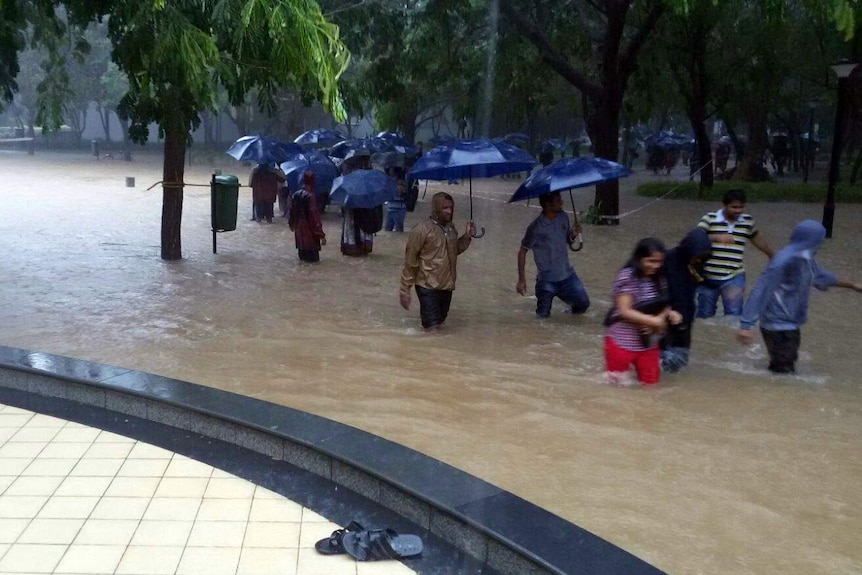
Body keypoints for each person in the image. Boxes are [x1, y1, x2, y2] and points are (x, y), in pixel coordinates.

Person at [736, 220, 862, 374]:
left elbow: (822, 277)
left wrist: (853, 285)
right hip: (778, 324)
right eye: (819, 242)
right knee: (785, 372)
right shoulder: (784, 260)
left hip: (789, 323)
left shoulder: (805, 258)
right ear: (812, 240)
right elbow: (762, 288)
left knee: (782, 367)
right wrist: (746, 324)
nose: (819, 246)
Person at [604, 238, 682, 386]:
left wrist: (669, 314)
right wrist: (653, 321)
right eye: (650, 261)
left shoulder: (659, 278)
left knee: (652, 386)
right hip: (622, 343)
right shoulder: (628, 277)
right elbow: (624, 310)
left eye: (659, 262)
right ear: (639, 258)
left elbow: (663, 304)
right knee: (615, 388)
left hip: (648, 343)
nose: (655, 266)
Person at [399, 192, 475, 330]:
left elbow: (454, 250)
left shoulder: (451, 228)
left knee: (439, 325)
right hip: (427, 286)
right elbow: (410, 261)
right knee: (432, 329)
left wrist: (467, 237)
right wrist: (405, 289)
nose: (449, 211)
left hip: (447, 286)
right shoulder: (422, 229)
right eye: (445, 208)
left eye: (451, 208)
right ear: (436, 208)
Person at [695, 189, 773, 319]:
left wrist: (771, 254)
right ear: (724, 205)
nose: (738, 210)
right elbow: (695, 238)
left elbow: (757, 239)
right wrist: (716, 238)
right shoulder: (709, 218)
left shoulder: (747, 221)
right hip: (707, 276)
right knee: (704, 316)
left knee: (734, 316)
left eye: (741, 207)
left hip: (734, 275)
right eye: (734, 207)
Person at [516, 191, 590, 318]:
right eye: (557, 201)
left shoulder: (563, 217)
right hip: (546, 281)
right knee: (542, 318)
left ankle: (568, 314)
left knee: (583, 304)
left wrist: (573, 234)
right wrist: (521, 279)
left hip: (567, 276)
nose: (561, 202)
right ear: (547, 204)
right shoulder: (535, 227)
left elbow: (567, 240)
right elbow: (522, 251)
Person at [659, 228, 712, 372]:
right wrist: (668, 310)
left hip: (685, 324)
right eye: (697, 256)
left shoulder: (696, 266)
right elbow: (655, 291)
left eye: (702, 257)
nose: (698, 260)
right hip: (664, 322)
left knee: (679, 371)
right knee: (661, 370)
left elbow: (704, 283)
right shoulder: (666, 261)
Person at [287, 171, 326, 263]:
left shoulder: (296, 194)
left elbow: (291, 213)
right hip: (310, 236)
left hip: (299, 236)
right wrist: (321, 235)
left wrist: (291, 225)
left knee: (303, 262)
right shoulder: (311, 197)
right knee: (313, 264)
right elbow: (314, 218)